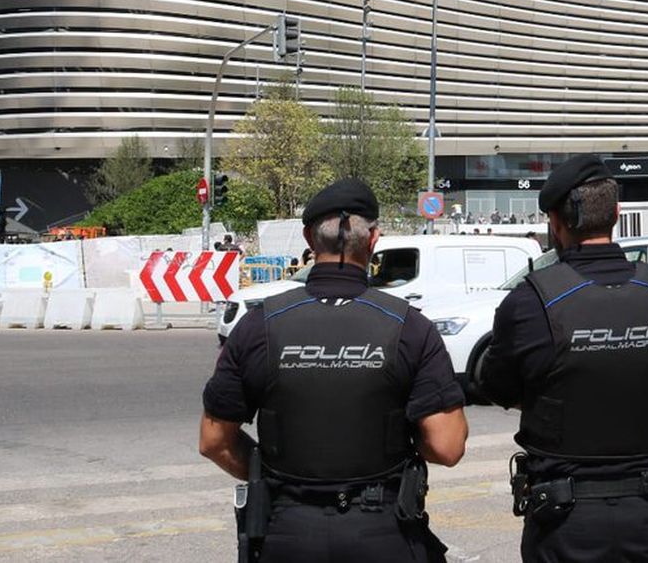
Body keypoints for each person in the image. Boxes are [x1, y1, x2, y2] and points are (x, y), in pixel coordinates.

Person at [200, 178, 469, 562]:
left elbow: (214, 440)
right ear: (374, 238)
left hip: (287, 528)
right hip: (383, 529)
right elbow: (447, 446)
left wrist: (272, 473)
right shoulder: (410, 327)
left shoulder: (259, 326)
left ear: (310, 238)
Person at [480, 155, 648, 562]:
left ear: (556, 223)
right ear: (616, 214)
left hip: (565, 519)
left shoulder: (532, 300)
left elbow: (496, 386)